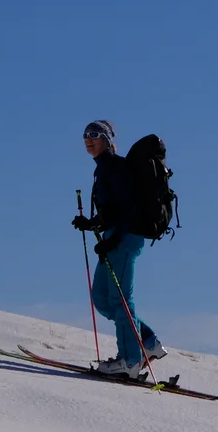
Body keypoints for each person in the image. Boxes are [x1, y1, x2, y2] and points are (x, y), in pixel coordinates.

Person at [71, 121, 168, 377]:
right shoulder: (103, 169)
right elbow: (112, 210)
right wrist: (90, 224)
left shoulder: (116, 168)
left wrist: (114, 240)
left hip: (126, 238)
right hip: (114, 236)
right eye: (85, 136)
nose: (88, 139)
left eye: (94, 135)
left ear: (106, 139)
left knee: (120, 299)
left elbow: (129, 208)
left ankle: (130, 361)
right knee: (102, 299)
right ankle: (147, 342)